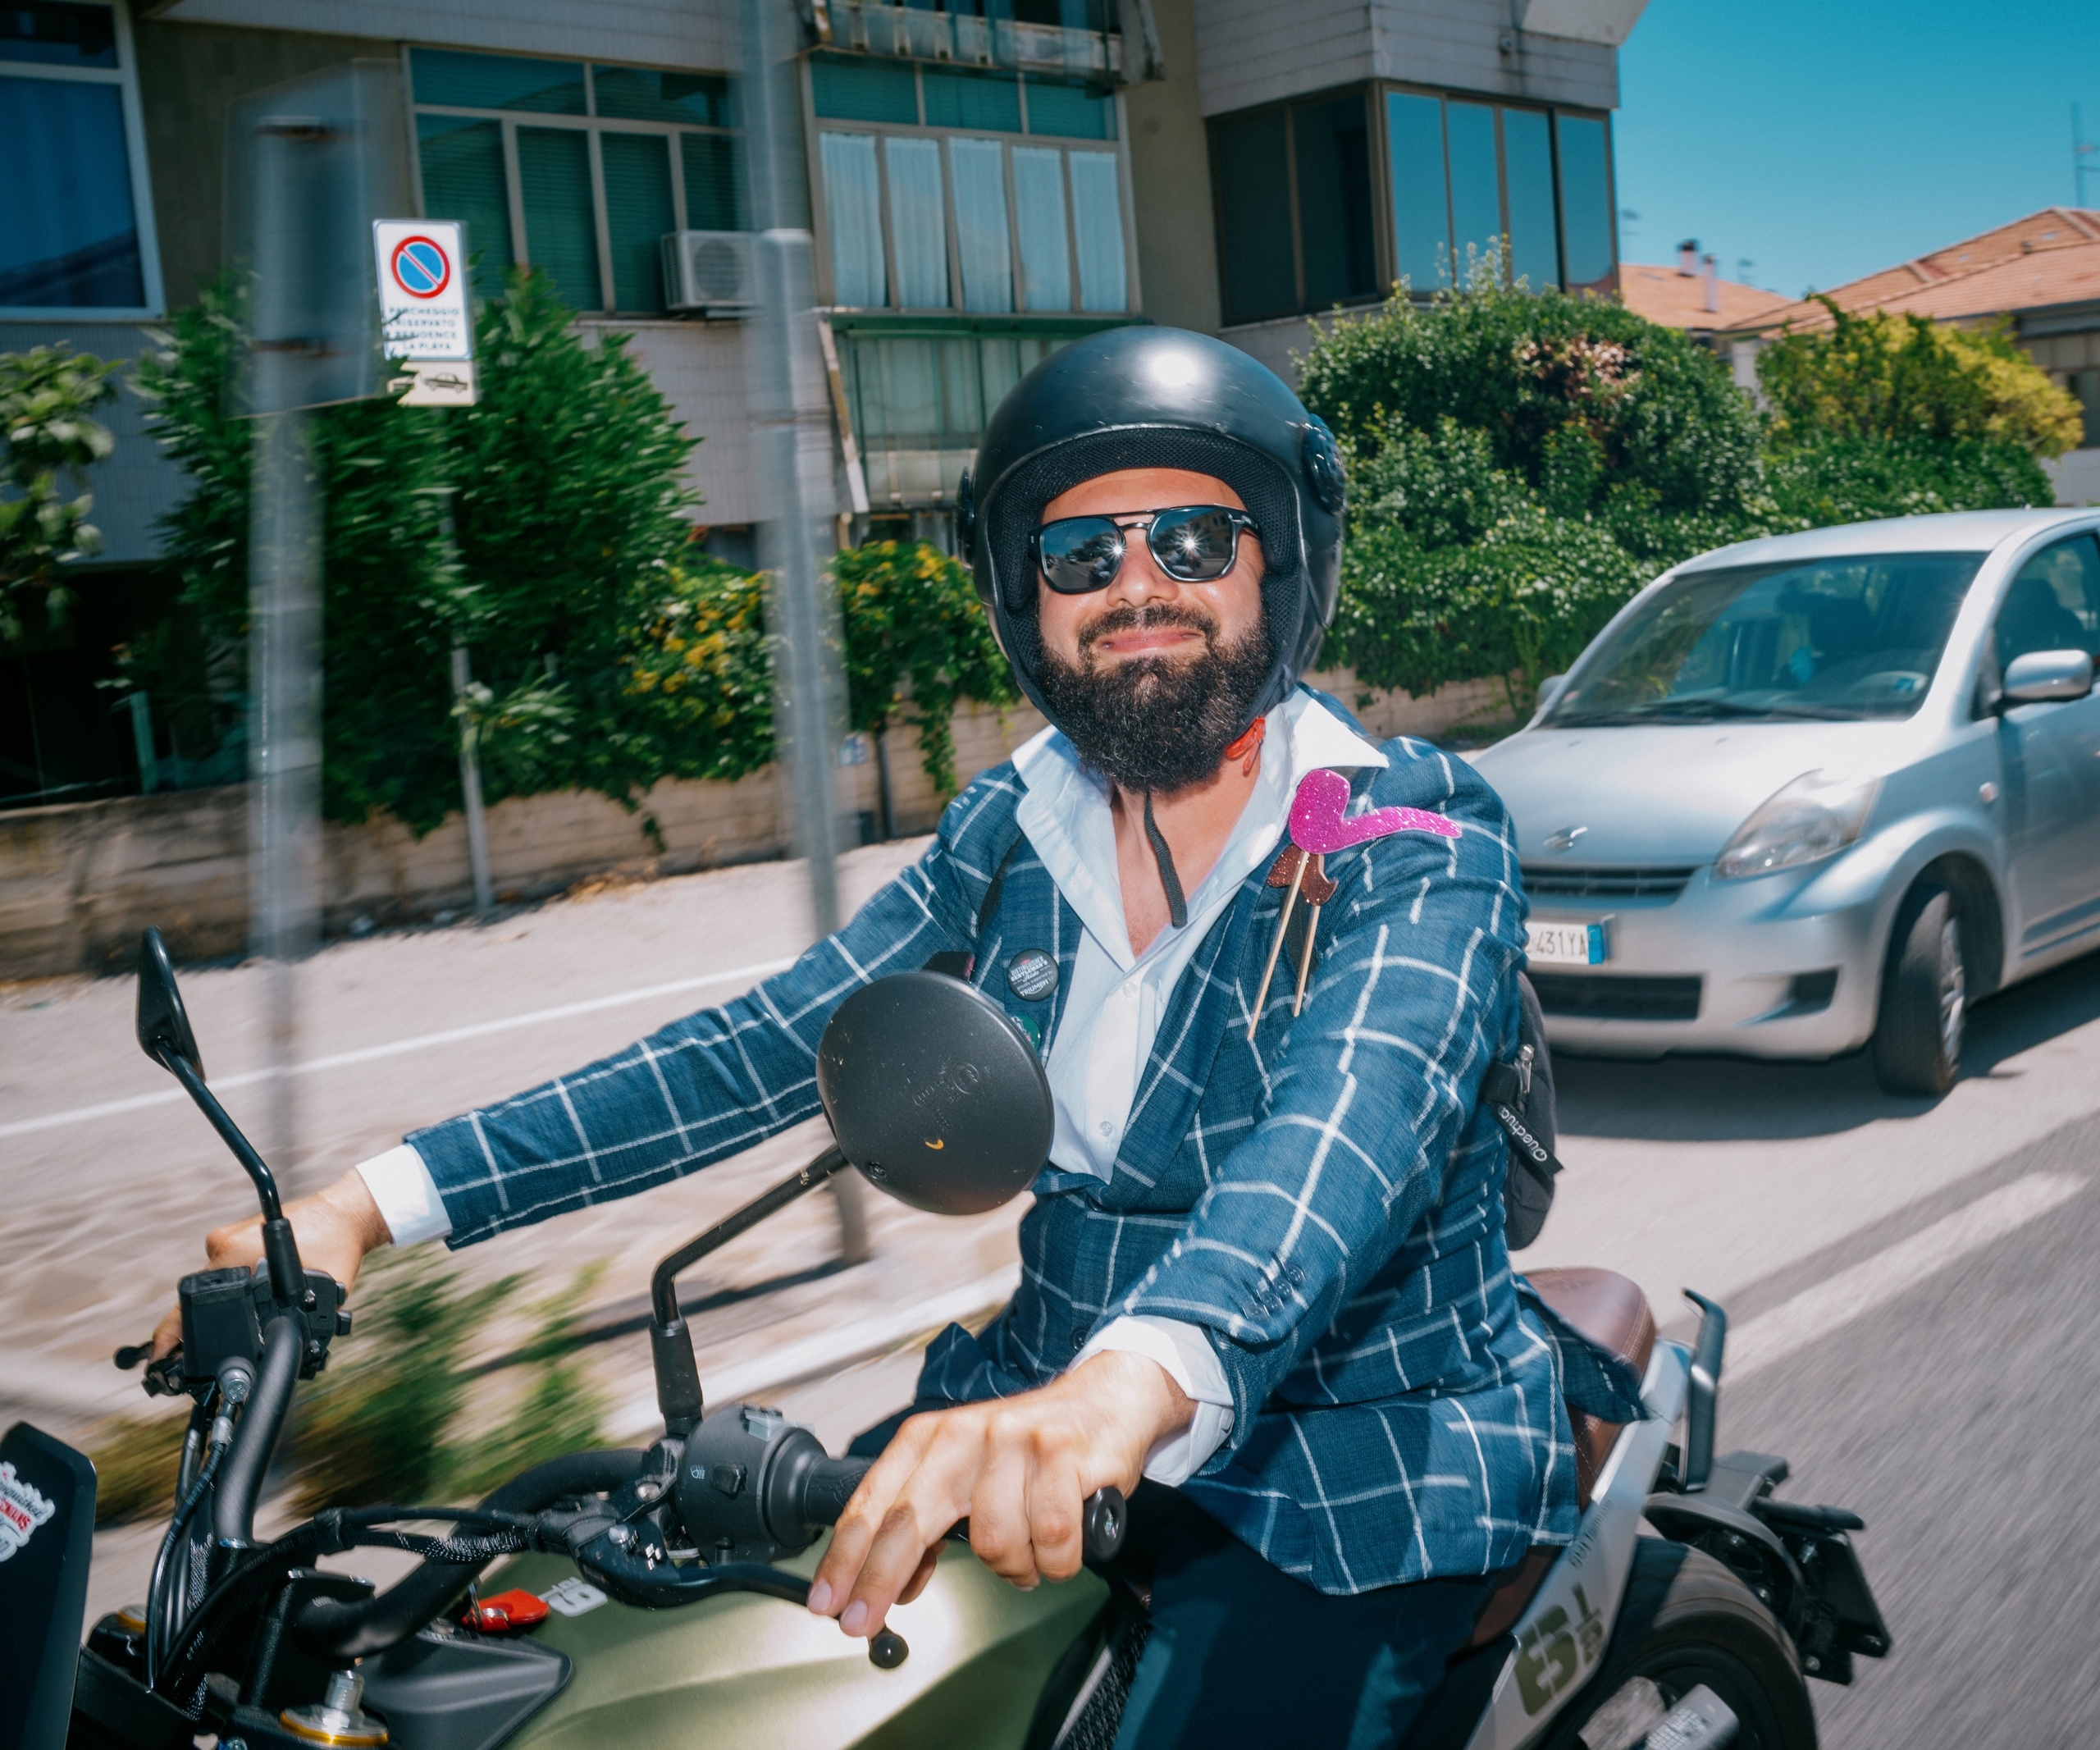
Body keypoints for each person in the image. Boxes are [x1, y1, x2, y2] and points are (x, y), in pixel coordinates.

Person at [155, 328, 1587, 1748]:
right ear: (1028, 602)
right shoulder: (1016, 829)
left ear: (1278, 560)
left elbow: (1343, 1135)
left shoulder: (1407, 827)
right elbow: (768, 1044)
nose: (1137, 586)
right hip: (1036, 1411)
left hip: (1350, 1463)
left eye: (1195, 540)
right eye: (1081, 555)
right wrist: (367, 1205)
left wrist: (1132, 1378)